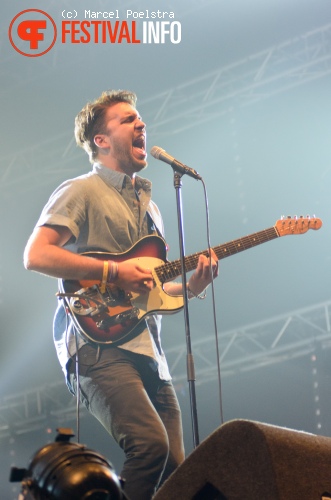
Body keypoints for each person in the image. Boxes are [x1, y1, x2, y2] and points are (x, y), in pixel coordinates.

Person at [24, 90, 218, 499]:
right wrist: (113, 269)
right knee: (151, 447)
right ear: (101, 140)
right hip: (97, 345)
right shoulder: (80, 190)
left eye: (141, 120)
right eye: (129, 120)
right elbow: (36, 255)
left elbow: (152, 290)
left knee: (177, 474)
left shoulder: (153, 210)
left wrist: (193, 287)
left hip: (149, 350)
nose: (141, 125)